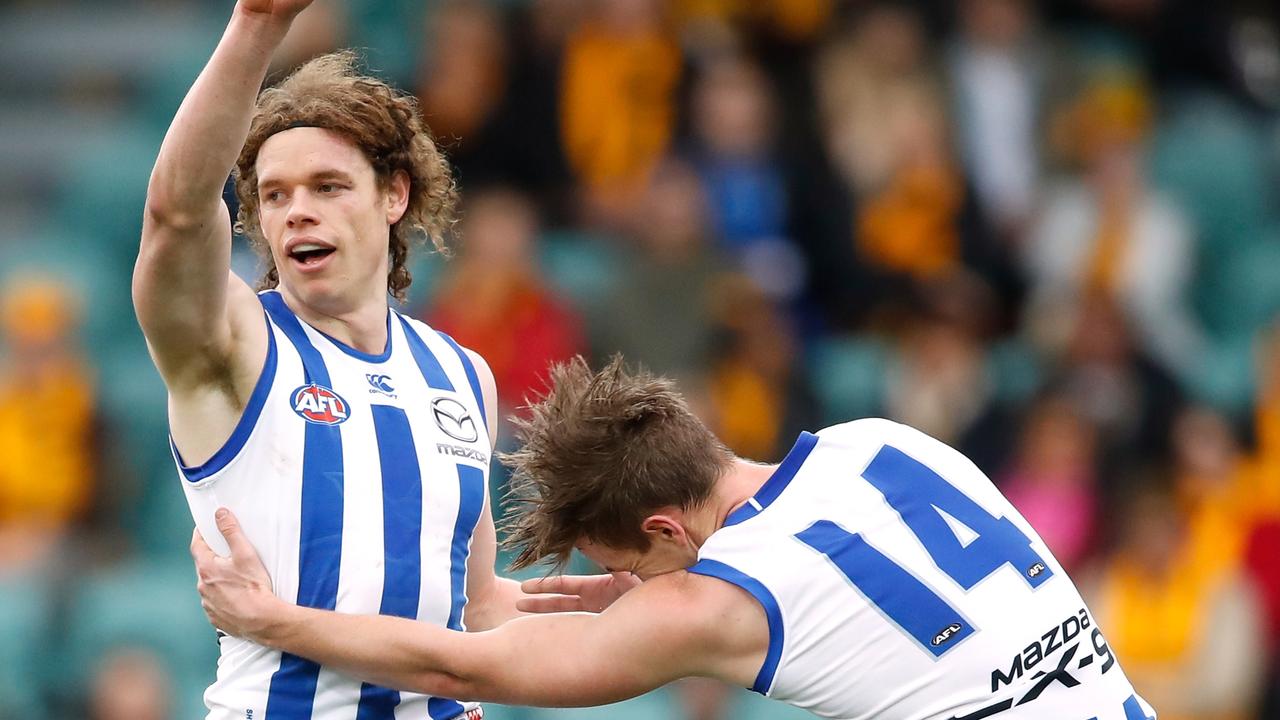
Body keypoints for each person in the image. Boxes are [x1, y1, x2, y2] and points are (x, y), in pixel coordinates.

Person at [194, 357, 1158, 720]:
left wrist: (276, 620)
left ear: (663, 526)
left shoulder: (712, 606)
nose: (638, 588)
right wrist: (654, 584)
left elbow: (459, 669)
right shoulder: (884, 441)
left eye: (629, 567)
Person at [132, 1, 539, 717]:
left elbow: (476, 606)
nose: (297, 211)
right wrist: (257, 24)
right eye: (274, 195)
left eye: (327, 186)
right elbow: (178, 214)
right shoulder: (233, 346)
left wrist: (616, 614)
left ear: (394, 194)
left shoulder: (462, 373)